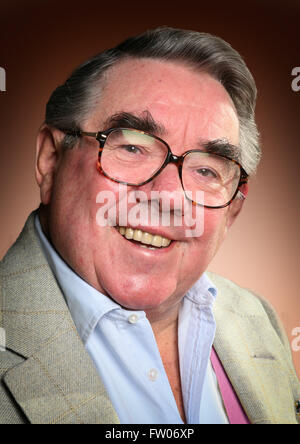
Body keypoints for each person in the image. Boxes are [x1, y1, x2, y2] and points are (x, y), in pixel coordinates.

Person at [0, 27, 299, 425]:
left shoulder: (258, 318)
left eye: (206, 169)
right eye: (132, 147)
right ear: (51, 160)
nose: (169, 197)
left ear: (232, 211)